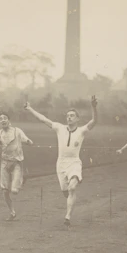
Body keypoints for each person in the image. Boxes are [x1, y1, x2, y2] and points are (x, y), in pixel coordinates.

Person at [25, 96, 98, 229]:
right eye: (68, 116)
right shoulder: (59, 128)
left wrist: (93, 107)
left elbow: (94, 121)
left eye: (72, 116)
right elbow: (43, 119)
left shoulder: (81, 131)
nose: (69, 117)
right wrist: (30, 108)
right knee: (66, 191)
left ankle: (68, 217)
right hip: (61, 164)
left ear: (77, 119)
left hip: (74, 163)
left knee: (72, 188)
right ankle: (71, 200)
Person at [0, 112, 34, 221]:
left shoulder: (17, 131)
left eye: (5, 118)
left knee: (14, 190)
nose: (3, 120)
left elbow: (28, 141)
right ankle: (12, 212)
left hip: (16, 163)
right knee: (5, 191)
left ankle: (21, 179)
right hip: (5, 163)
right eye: (0, 119)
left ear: (9, 120)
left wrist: (28, 141)